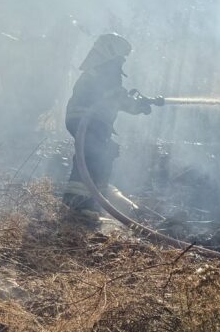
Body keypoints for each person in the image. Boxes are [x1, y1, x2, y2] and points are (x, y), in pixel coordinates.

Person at [63, 33, 161, 212]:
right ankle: (77, 204)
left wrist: (141, 104)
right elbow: (116, 97)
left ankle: (90, 204)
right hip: (88, 121)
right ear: (110, 52)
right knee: (93, 155)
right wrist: (138, 105)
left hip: (92, 122)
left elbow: (116, 99)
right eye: (121, 56)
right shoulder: (104, 71)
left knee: (103, 154)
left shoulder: (102, 71)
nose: (123, 61)